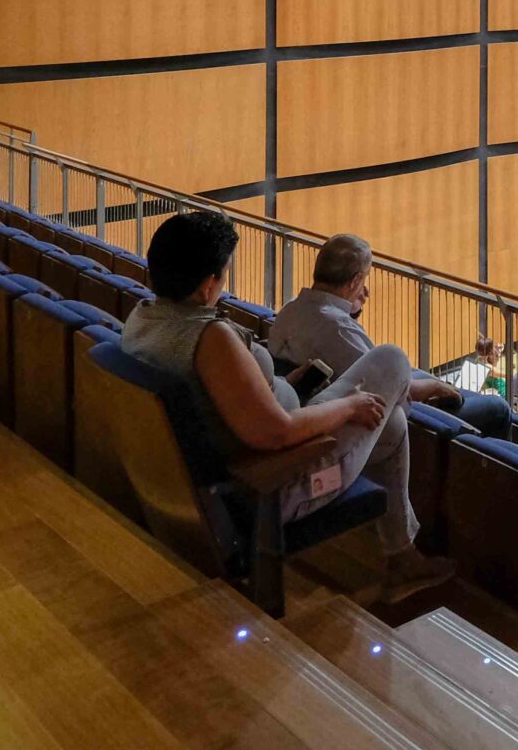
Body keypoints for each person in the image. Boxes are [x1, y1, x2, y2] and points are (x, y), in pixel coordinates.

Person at [123, 214, 451, 593]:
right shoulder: (210, 338)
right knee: (392, 360)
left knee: (391, 424)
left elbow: (237, 400)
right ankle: (403, 555)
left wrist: (280, 383)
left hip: (231, 461)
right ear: (209, 283)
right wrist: (349, 407)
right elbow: (277, 433)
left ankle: (402, 555)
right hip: (279, 481)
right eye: (225, 273)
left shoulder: (145, 318)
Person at [269, 234, 512, 438]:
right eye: (364, 277)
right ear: (355, 281)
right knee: (498, 407)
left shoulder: (291, 310)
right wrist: (438, 386)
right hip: (380, 426)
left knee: (419, 373)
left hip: (319, 404)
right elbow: (395, 387)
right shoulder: (339, 329)